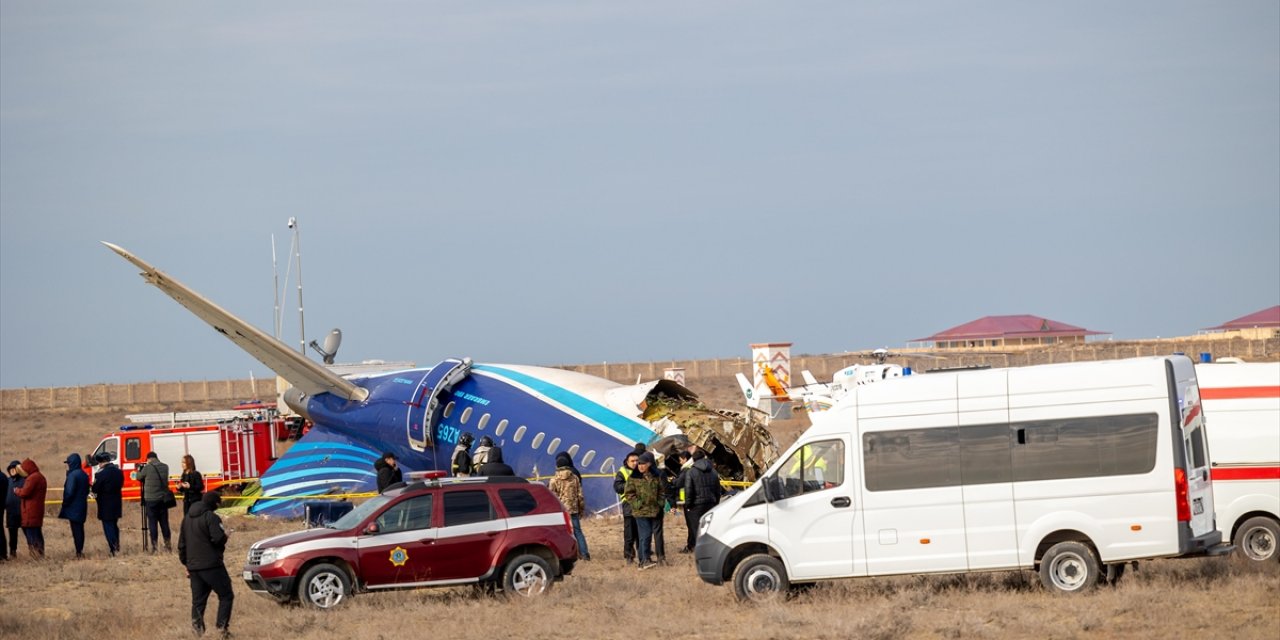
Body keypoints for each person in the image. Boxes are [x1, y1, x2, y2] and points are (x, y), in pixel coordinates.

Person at [179, 491, 233, 638]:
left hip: (194, 567)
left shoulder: (186, 519)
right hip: (212, 565)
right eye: (218, 503)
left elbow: (181, 545)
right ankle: (222, 629)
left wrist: (186, 564)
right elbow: (217, 539)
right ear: (213, 503)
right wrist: (226, 536)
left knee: (198, 602)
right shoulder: (211, 517)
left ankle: (198, 632)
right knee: (226, 595)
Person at [623, 452, 664, 570]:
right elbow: (629, 493)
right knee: (645, 535)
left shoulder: (655, 476)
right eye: (639, 464)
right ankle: (644, 560)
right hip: (640, 512)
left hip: (653, 510)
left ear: (649, 464)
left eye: (643, 464)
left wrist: (660, 502)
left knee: (645, 536)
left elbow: (661, 490)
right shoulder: (633, 477)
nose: (640, 466)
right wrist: (637, 504)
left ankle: (643, 560)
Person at [549, 452, 591, 560]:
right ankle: (585, 554)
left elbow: (552, 496)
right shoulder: (575, 478)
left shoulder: (554, 480)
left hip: (561, 510)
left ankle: (566, 555)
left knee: (562, 533)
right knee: (578, 531)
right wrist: (581, 509)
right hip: (573, 509)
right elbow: (580, 496)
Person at [681, 448, 723, 554]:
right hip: (711, 504)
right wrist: (716, 503)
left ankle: (701, 553)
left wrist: (688, 505)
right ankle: (712, 551)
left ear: (693, 460)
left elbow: (688, 491)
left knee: (696, 530)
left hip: (696, 506)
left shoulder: (691, 472)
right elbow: (718, 489)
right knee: (709, 529)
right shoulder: (713, 471)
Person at [138, 451, 172, 552]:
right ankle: (168, 545)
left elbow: (139, 477)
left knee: (152, 523)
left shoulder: (147, 467)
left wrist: (140, 469)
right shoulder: (165, 467)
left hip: (150, 500)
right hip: (163, 499)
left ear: (148, 459)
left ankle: (154, 547)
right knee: (164, 523)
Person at [13, 458, 47, 558]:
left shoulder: (32, 478)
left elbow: (25, 492)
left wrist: (17, 490)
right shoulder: (40, 476)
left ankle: (35, 555)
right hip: (36, 510)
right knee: (37, 532)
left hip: (30, 510)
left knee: (32, 534)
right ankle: (40, 554)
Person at [58, 453, 90, 558]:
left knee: (76, 530)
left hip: (73, 507)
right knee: (80, 529)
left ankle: (79, 552)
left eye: (69, 463)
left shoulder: (73, 475)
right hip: (82, 506)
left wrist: (65, 503)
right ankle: (80, 550)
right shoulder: (84, 474)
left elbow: (69, 492)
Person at [91, 452, 124, 556]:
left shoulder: (101, 474)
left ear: (101, 463)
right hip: (116, 502)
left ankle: (113, 549)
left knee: (108, 526)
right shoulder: (119, 472)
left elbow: (95, 488)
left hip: (105, 504)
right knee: (114, 525)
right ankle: (117, 546)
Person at [612, 451, 640, 564]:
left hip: (642, 505)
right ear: (627, 462)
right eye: (632, 461)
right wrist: (631, 485)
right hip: (629, 505)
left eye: (636, 461)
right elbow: (617, 487)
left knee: (642, 533)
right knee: (629, 533)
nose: (635, 463)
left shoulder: (642, 470)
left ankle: (644, 555)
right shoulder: (622, 472)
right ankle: (629, 556)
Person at [4, 461, 21, 559]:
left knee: (28, 533)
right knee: (12, 535)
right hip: (10, 512)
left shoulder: (24, 480)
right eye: (11, 469)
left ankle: (34, 552)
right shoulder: (7, 480)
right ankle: (12, 553)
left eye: (15, 468)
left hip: (22, 512)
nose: (13, 471)